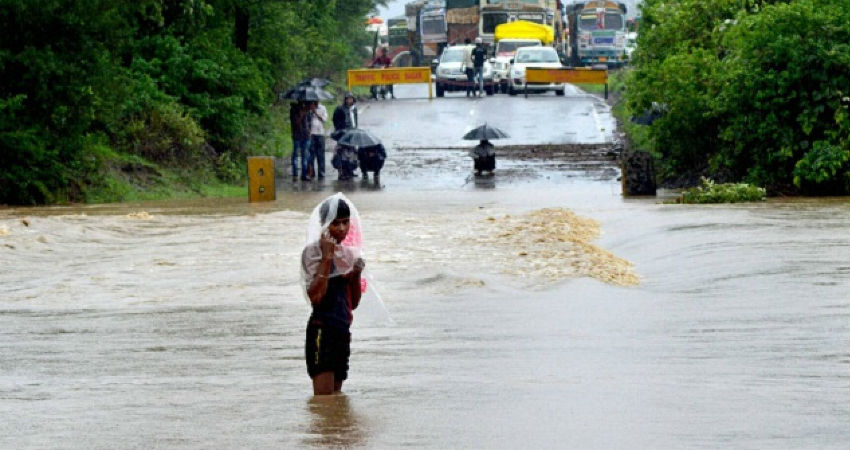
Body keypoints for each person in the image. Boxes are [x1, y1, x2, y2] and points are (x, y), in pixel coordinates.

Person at [302, 194, 365, 395]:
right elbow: (316, 297)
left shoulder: (348, 254)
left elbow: (352, 303)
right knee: (323, 402)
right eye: (335, 223)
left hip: (342, 332)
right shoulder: (312, 253)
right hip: (322, 331)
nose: (341, 229)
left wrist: (355, 275)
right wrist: (327, 255)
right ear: (323, 224)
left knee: (336, 401)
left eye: (345, 222)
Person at [331, 93, 360, 180]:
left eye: (351, 99)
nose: (349, 100)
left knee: (352, 153)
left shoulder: (354, 109)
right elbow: (335, 120)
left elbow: (355, 120)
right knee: (342, 153)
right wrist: (340, 130)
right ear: (345, 100)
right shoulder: (340, 109)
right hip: (343, 133)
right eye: (348, 99)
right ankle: (341, 172)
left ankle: (350, 170)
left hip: (352, 132)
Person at [290, 101, 312, 180]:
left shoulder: (308, 110)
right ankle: (295, 175)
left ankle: (304, 174)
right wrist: (302, 114)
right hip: (297, 135)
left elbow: (309, 123)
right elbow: (295, 123)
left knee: (305, 155)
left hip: (306, 136)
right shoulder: (293, 110)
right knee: (295, 155)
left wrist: (310, 132)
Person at [307, 101, 328, 179]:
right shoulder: (308, 108)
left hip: (320, 133)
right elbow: (307, 121)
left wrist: (315, 112)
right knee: (311, 154)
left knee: (321, 154)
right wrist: (310, 111)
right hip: (311, 133)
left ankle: (321, 172)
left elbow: (324, 119)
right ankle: (311, 172)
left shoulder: (322, 108)